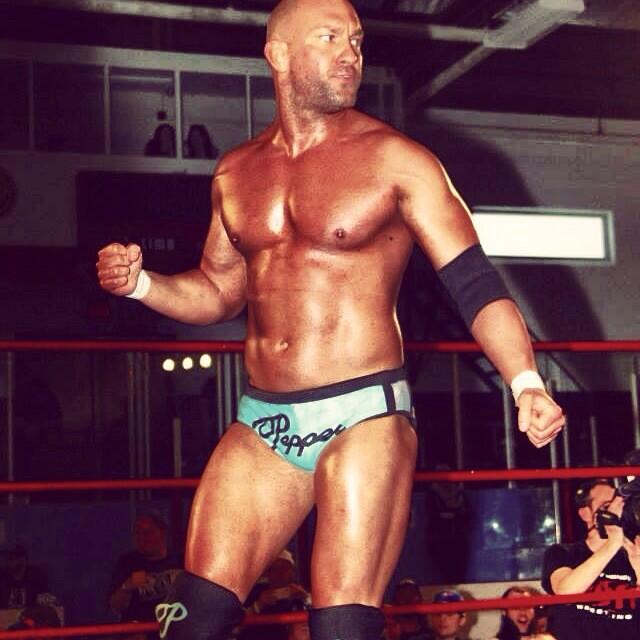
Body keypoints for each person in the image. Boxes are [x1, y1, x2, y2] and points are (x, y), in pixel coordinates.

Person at [96, 1, 565, 638]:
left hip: (364, 414)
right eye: (330, 37)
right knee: (194, 617)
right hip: (264, 419)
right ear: (278, 53)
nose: (351, 53)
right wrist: (143, 284)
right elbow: (218, 291)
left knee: (340, 624)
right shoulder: (235, 172)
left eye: (357, 40)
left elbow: (475, 283)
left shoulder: (398, 160)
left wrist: (525, 382)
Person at [541, 479, 640, 640]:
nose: (615, 513)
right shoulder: (563, 552)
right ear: (585, 513)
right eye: (606, 506)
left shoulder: (632, 552)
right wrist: (612, 543)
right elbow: (565, 591)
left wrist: (636, 562)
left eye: (619, 507)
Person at [108, 512, 182, 639]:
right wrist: (127, 586)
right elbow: (116, 606)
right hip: (140, 633)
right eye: (137, 533)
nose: (142, 538)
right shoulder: (127, 562)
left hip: (175, 629)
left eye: (148, 532)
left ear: (162, 533)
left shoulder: (181, 561)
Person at [239, 549, 310, 640]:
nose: (280, 573)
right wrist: (258, 605)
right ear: (268, 573)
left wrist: (305, 598)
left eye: (285, 568)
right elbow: (234, 627)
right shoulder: (254, 592)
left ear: (292, 573)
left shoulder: (299, 597)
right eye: (275, 569)